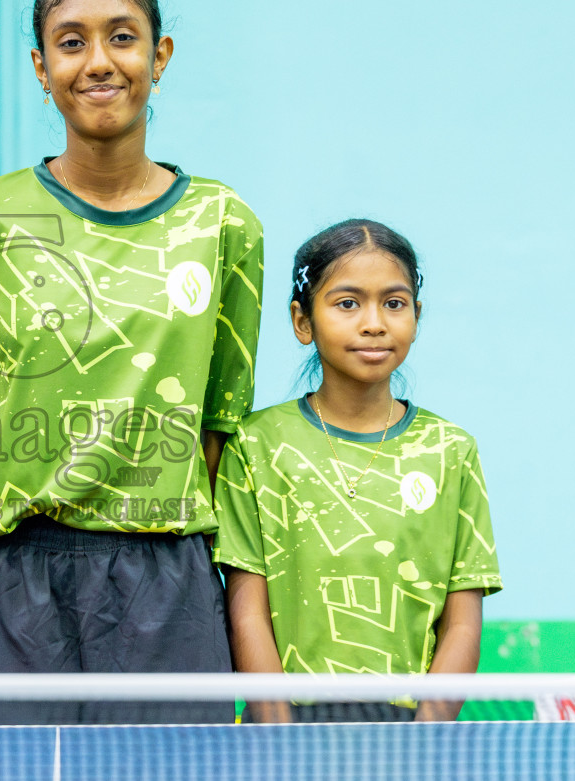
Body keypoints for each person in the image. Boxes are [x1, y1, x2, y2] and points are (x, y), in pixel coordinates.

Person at [0, 0, 264, 724]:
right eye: (71, 42)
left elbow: (219, 422)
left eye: (122, 37)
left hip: (163, 583)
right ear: (41, 67)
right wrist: (16, 532)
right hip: (3, 581)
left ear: (159, 55)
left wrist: (143, 523)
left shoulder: (223, 223)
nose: (98, 61)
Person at [213, 219, 502, 722]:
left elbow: (461, 621)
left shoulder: (450, 450)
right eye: (347, 303)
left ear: (416, 315)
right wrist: (276, 731)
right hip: (285, 726)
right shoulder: (255, 445)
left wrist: (425, 735)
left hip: (409, 731)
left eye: (395, 303)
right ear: (302, 321)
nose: (374, 323)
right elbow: (248, 612)